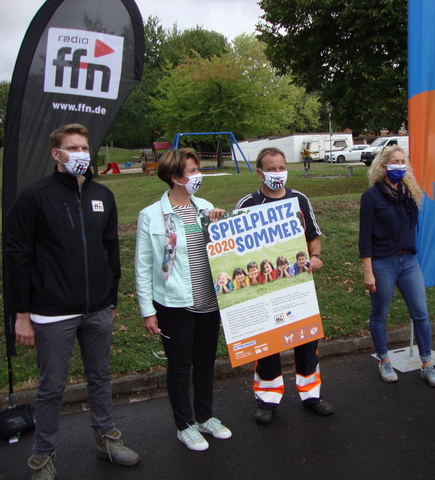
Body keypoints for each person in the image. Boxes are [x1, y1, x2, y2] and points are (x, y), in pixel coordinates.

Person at [5, 123, 140, 479]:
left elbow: (111, 250)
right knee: (51, 388)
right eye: (74, 147)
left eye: (85, 147)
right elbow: (17, 256)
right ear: (57, 154)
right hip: (51, 312)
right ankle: (43, 456)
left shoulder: (103, 196)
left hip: (97, 308)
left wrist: (111, 298)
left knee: (100, 377)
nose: (82, 153)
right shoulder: (35, 196)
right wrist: (21, 314)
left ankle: (106, 438)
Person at [135, 148, 232, 451]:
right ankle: (184, 424)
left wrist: (219, 223)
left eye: (197, 169)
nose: (197, 175)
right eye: (191, 171)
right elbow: (143, 265)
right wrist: (147, 310)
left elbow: (221, 249)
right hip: (174, 303)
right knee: (180, 365)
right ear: (175, 177)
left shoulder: (205, 206)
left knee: (205, 362)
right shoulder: (151, 215)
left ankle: (204, 417)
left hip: (208, 298)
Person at [236, 147, 333, 424]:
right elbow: (232, 249)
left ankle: (312, 395)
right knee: (267, 346)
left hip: (297, 286)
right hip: (263, 288)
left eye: (281, 167)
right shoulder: (247, 203)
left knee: (306, 341)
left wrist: (315, 257)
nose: (278, 173)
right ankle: (267, 401)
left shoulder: (300, 199)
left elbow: (313, 237)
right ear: (259, 172)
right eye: (271, 168)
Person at [359, 145, 435, 388]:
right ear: (383, 167)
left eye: (402, 161)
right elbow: (365, 238)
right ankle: (384, 360)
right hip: (383, 263)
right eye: (394, 162)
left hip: (408, 262)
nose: (399, 165)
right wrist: (368, 271)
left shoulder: (409, 192)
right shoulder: (371, 197)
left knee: (421, 314)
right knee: (379, 314)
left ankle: (427, 363)